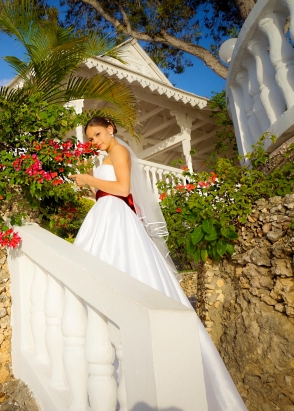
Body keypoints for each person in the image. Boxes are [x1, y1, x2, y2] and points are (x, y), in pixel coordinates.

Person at [68, 116, 247, 411]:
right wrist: (89, 180)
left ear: (110, 129)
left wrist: (90, 180)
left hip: (117, 217)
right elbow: (103, 192)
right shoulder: (104, 157)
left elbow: (123, 189)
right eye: (90, 138)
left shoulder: (119, 150)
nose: (94, 141)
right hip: (102, 216)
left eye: (98, 134)